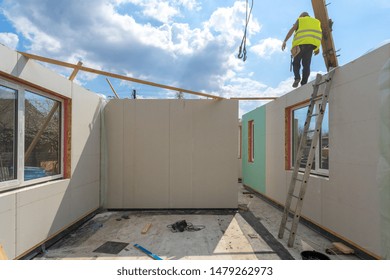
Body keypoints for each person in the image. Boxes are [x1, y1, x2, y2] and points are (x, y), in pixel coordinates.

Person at [282, 12, 322, 88]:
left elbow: (292, 30)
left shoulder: (300, 20)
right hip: (311, 46)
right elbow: (319, 34)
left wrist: (285, 41)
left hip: (300, 46)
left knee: (296, 63)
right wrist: (317, 48)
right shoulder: (317, 22)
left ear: (302, 16)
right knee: (306, 65)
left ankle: (297, 78)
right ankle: (304, 83)